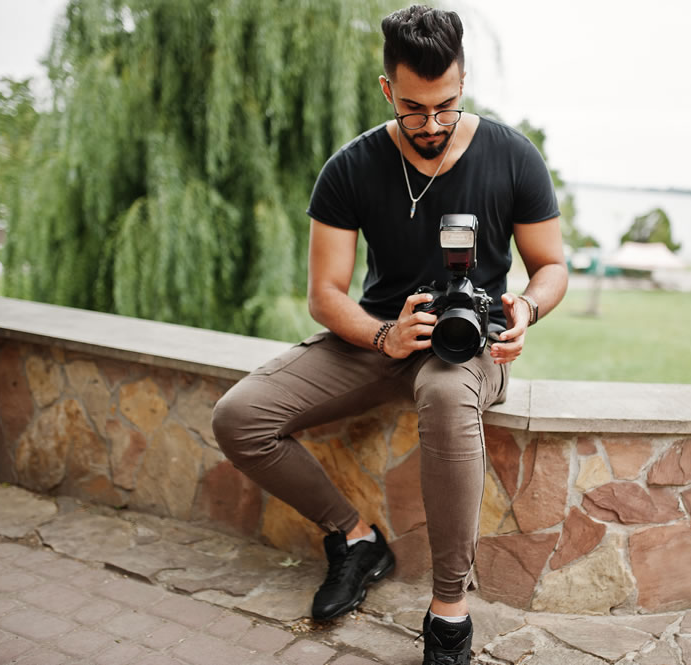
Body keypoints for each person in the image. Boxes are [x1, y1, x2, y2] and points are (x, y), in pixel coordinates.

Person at [211, 5, 567, 664]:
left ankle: (449, 612)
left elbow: (550, 267)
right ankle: (355, 537)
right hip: (379, 335)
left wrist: (526, 308)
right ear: (386, 89)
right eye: (413, 109)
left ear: (463, 82)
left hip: (468, 346)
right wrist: (381, 337)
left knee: (447, 394)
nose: (431, 125)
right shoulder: (350, 167)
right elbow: (324, 293)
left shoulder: (513, 155)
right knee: (239, 417)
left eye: (446, 106)